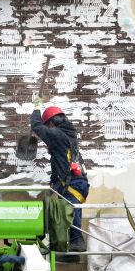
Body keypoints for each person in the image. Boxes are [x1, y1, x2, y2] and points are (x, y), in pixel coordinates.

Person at [29, 104, 90, 260]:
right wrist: (52, 182)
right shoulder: (68, 136)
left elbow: (36, 126)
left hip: (72, 183)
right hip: (77, 182)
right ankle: (72, 254)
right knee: (67, 214)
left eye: (47, 125)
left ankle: (77, 242)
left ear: (51, 122)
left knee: (69, 212)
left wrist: (36, 110)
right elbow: (61, 163)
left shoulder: (57, 134)